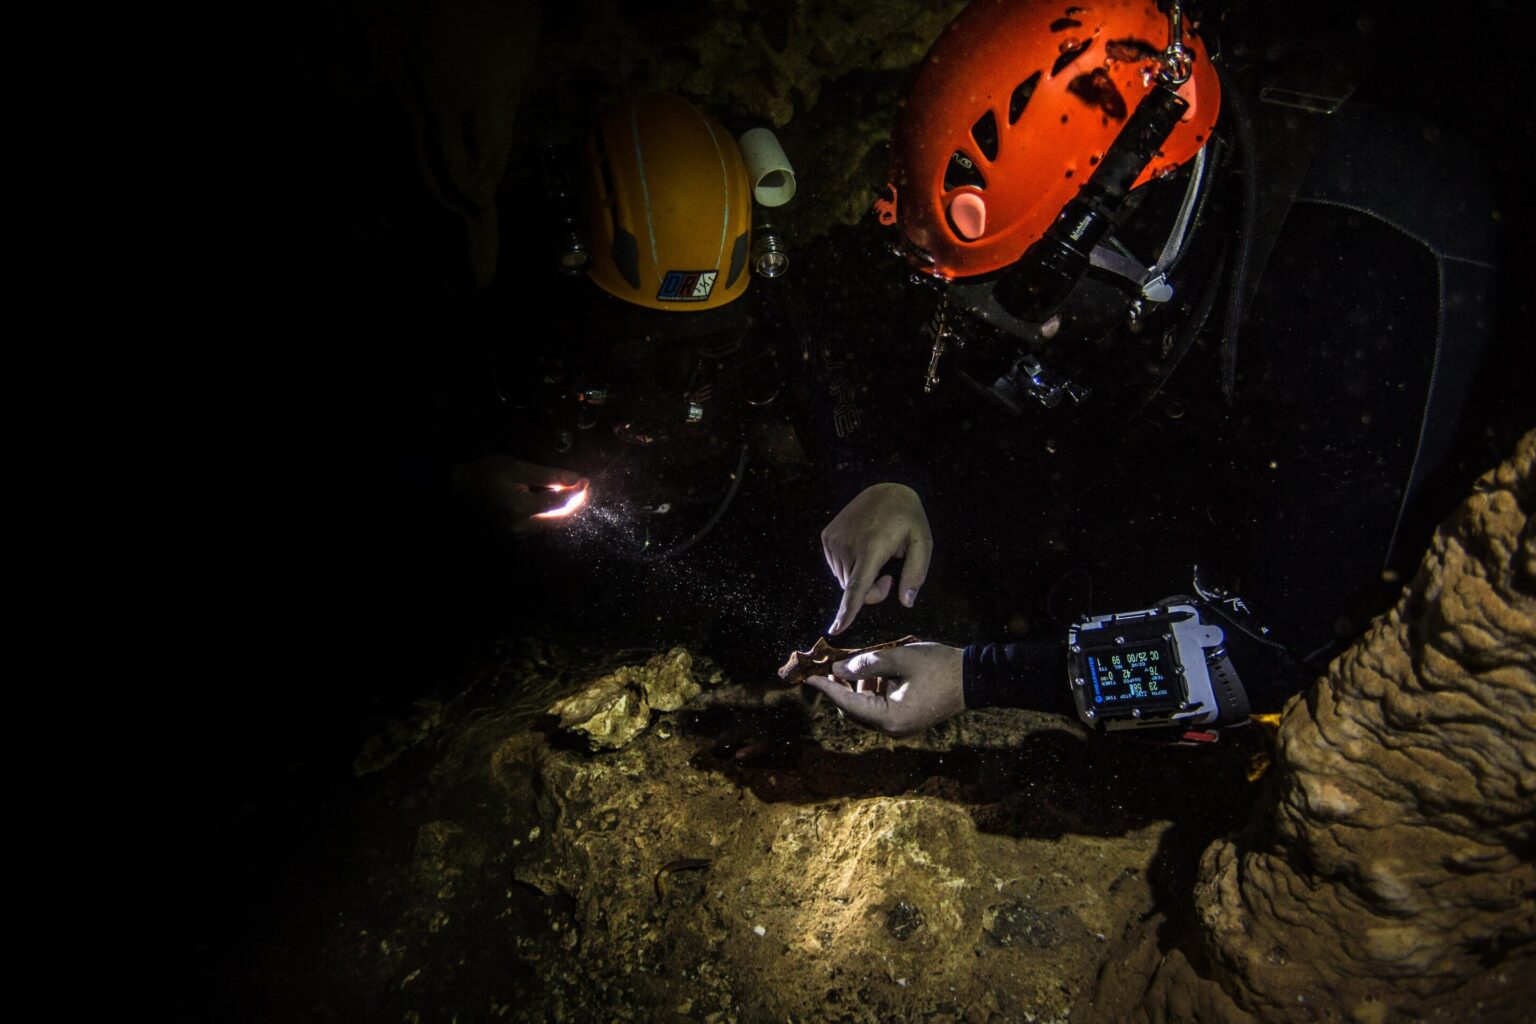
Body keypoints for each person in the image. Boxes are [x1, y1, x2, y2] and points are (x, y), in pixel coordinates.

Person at [796, 0, 1507, 739]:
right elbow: (873, 324)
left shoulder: (1355, 298)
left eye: (1029, 290)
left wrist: (976, 678)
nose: (1028, 329)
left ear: (1121, 212)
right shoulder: (1147, 205)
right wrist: (887, 473)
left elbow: (1274, 650)